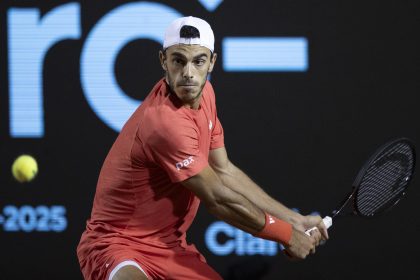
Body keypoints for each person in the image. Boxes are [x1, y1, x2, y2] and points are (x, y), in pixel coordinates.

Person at [77, 16, 329, 280]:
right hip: (117, 244)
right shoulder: (165, 122)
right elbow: (218, 199)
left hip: (169, 247)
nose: (188, 73)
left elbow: (223, 170)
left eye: (198, 61)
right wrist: (287, 236)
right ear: (163, 61)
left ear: (212, 62)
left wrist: (294, 220)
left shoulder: (205, 92)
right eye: (178, 60)